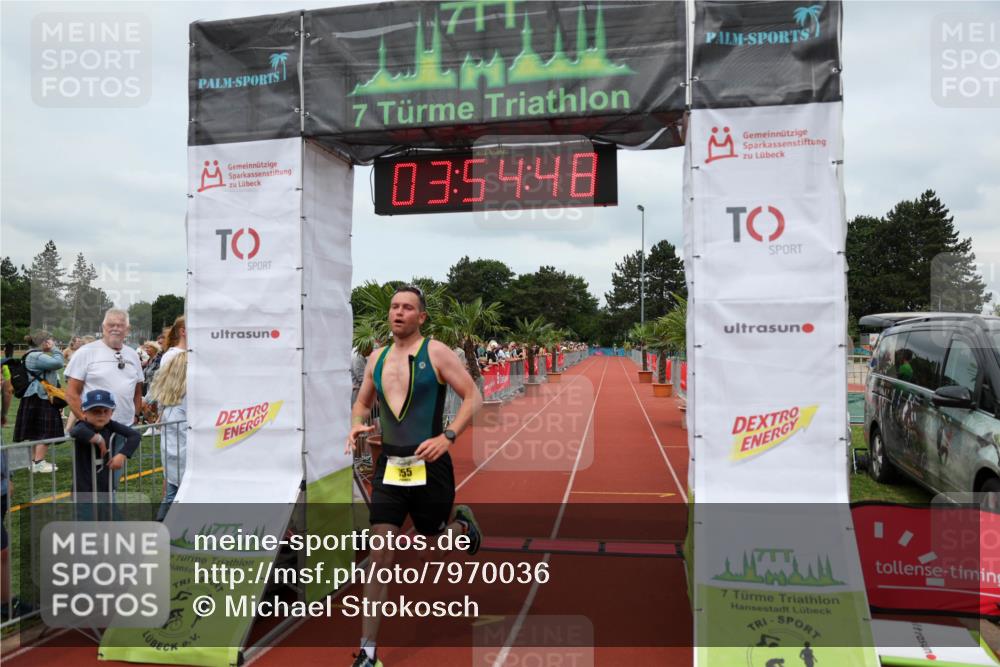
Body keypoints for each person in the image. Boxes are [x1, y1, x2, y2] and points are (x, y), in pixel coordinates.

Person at [345, 285, 483, 667]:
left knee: (434, 545)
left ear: (421, 316)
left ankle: (461, 525)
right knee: (380, 553)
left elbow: (473, 397)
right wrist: (356, 423)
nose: (398, 312)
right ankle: (368, 653)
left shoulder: (435, 352)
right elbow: (362, 402)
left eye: (407, 307)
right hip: (390, 466)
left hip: (429, 464)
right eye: (394, 307)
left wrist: (448, 436)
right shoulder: (376, 358)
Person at [66, 309, 144, 428]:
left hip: (126, 427)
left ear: (127, 330)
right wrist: (85, 419)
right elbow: (71, 393)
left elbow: (137, 391)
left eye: (120, 325)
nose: (115, 328)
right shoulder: (85, 352)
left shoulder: (133, 355)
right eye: (111, 325)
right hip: (94, 428)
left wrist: (136, 416)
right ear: (103, 327)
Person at [147, 317, 187, 520]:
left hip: (175, 425)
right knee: (175, 488)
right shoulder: (175, 356)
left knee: (173, 487)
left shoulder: (177, 356)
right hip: (177, 428)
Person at [69, 389, 141, 498]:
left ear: (112, 412)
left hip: (105, 484)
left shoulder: (110, 424)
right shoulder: (82, 425)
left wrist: (122, 455)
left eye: (105, 411)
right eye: (96, 411)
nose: (101, 415)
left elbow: (135, 435)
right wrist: (99, 439)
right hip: (83, 488)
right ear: (84, 412)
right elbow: (75, 431)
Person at [12, 330, 65, 473]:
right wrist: (54, 348)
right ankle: (39, 462)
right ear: (44, 342)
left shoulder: (32, 354)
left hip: (35, 396)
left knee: (35, 431)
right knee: (45, 431)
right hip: (40, 396)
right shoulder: (36, 356)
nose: (53, 342)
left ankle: (34, 462)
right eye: (50, 340)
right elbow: (58, 362)